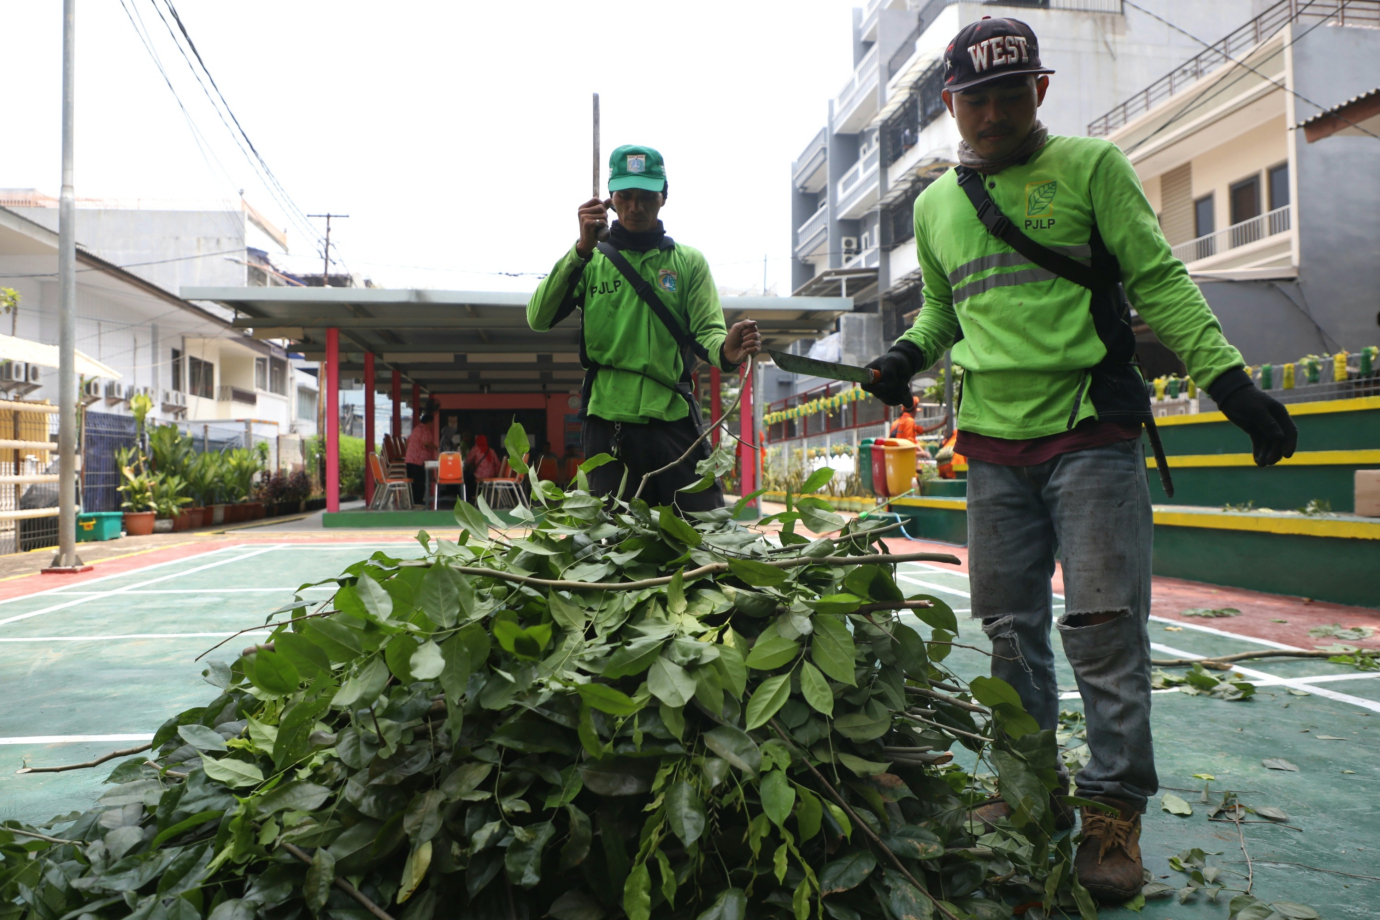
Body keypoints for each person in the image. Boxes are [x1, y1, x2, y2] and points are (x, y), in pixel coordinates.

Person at [860, 17, 1297, 904]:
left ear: (1040, 92)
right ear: (950, 107)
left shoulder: (1094, 169)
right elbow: (945, 311)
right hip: (990, 445)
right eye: (975, 99)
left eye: (1010, 92)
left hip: (1090, 429)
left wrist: (1229, 383)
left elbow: (1160, 279)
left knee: (1101, 631)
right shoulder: (937, 205)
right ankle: (1030, 797)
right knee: (1010, 632)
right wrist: (907, 354)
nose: (992, 112)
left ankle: (1111, 814)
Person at [527, 144, 762, 511]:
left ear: (664, 196)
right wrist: (579, 250)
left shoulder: (688, 262)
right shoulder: (589, 261)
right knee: (613, 543)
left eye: (646, 197)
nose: (635, 207)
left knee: (705, 529)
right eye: (625, 196)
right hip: (608, 423)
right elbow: (538, 317)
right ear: (610, 199)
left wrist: (726, 351)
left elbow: (708, 333)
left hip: (673, 417)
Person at [404, 404, 439, 506]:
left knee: (412, 482)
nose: (432, 425)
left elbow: (407, 442)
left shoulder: (416, 429)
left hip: (410, 459)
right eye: (432, 422)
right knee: (419, 482)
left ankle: (412, 501)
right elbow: (426, 443)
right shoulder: (425, 430)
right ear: (428, 422)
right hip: (418, 461)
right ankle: (418, 501)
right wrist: (436, 448)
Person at [464, 435, 500, 504]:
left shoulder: (475, 449)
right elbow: (497, 463)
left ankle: (470, 497)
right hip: (491, 475)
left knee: (466, 478)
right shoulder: (491, 450)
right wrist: (497, 474)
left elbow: (467, 461)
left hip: (479, 476)